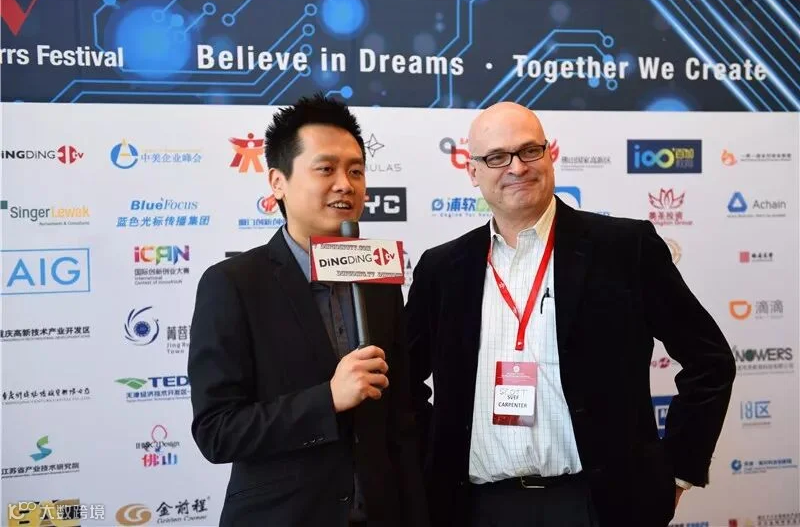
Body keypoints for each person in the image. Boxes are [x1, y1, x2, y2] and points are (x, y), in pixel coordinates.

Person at [405, 102, 736, 527]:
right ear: (473, 171)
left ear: (549, 154)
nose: (517, 167)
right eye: (497, 157)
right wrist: (434, 460)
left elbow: (709, 361)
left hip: (599, 506)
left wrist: (677, 470)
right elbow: (404, 385)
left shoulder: (625, 248)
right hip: (475, 508)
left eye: (530, 151)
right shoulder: (442, 269)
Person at [188, 94, 428, 527]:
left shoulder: (379, 280)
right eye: (326, 169)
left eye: (356, 171)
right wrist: (327, 400)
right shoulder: (234, 284)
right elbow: (216, 431)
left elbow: (402, 418)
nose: (345, 184)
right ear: (278, 182)